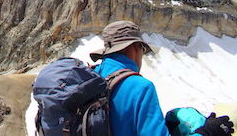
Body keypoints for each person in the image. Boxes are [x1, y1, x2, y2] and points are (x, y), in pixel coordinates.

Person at [90, 20, 234, 136]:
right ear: (136, 47)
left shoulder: (91, 77)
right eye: (143, 50)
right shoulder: (140, 87)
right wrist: (208, 132)